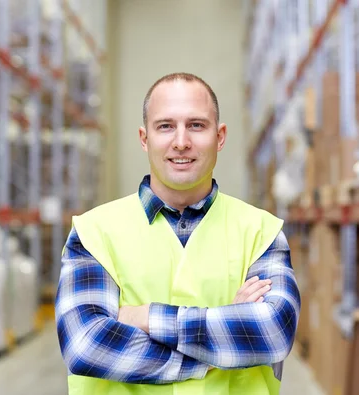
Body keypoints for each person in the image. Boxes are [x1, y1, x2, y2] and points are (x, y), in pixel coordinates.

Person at [55, 72, 300, 394]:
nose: (181, 141)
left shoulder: (260, 232)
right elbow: (88, 345)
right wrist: (220, 343)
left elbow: (271, 332)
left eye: (196, 125)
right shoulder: (94, 233)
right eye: (165, 126)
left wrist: (146, 317)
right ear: (144, 138)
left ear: (220, 136)